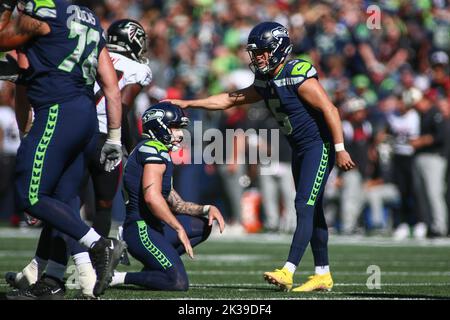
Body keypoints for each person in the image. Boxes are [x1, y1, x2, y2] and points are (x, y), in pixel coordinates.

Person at [167, 21, 355, 292]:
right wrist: (188, 103)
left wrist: (339, 149)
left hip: (319, 146)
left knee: (304, 205)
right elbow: (230, 99)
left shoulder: (297, 74)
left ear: (278, 49)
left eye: (263, 52)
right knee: (313, 211)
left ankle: (288, 270)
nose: (257, 58)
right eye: (255, 53)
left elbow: (330, 109)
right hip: (299, 149)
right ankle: (322, 274)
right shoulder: (266, 81)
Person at [3, 18, 152, 299]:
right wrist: (125, 145)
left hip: (73, 131)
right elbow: (122, 103)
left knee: (63, 205)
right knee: (100, 207)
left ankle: (53, 273)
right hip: (105, 134)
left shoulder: (88, 49)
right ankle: (87, 271)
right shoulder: (135, 66)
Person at [109, 102, 225, 291]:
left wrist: (206, 209)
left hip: (152, 226)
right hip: (141, 228)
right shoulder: (153, 149)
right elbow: (152, 198)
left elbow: (176, 203)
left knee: (203, 225)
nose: (180, 134)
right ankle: (118, 277)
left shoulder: (157, 150)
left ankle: (154, 269)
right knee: (177, 282)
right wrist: (178, 227)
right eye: (174, 127)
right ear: (158, 126)